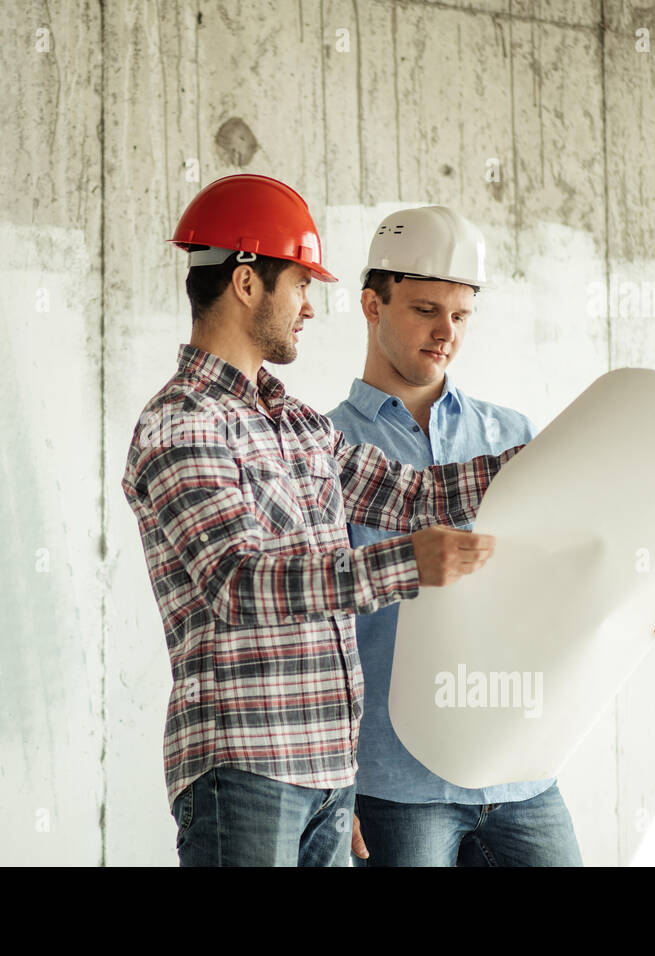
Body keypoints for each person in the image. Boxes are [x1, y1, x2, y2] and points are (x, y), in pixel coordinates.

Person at [120, 175, 525, 866]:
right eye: (301, 285)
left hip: (328, 774)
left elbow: (412, 496)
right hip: (244, 768)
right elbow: (237, 582)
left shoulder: (299, 425)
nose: (309, 307)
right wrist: (407, 563)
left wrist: (563, 457)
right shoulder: (182, 421)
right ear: (246, 283)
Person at [326, 205, 655, 866]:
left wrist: (646, 600)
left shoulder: (514, 435)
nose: (446, 332)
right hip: (395, 785)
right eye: (425, 310)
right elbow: (315, 631)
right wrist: (336, 791)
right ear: (371, 304)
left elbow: (565, 574)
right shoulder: (324, 448)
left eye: (461, 315)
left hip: (521, 775)